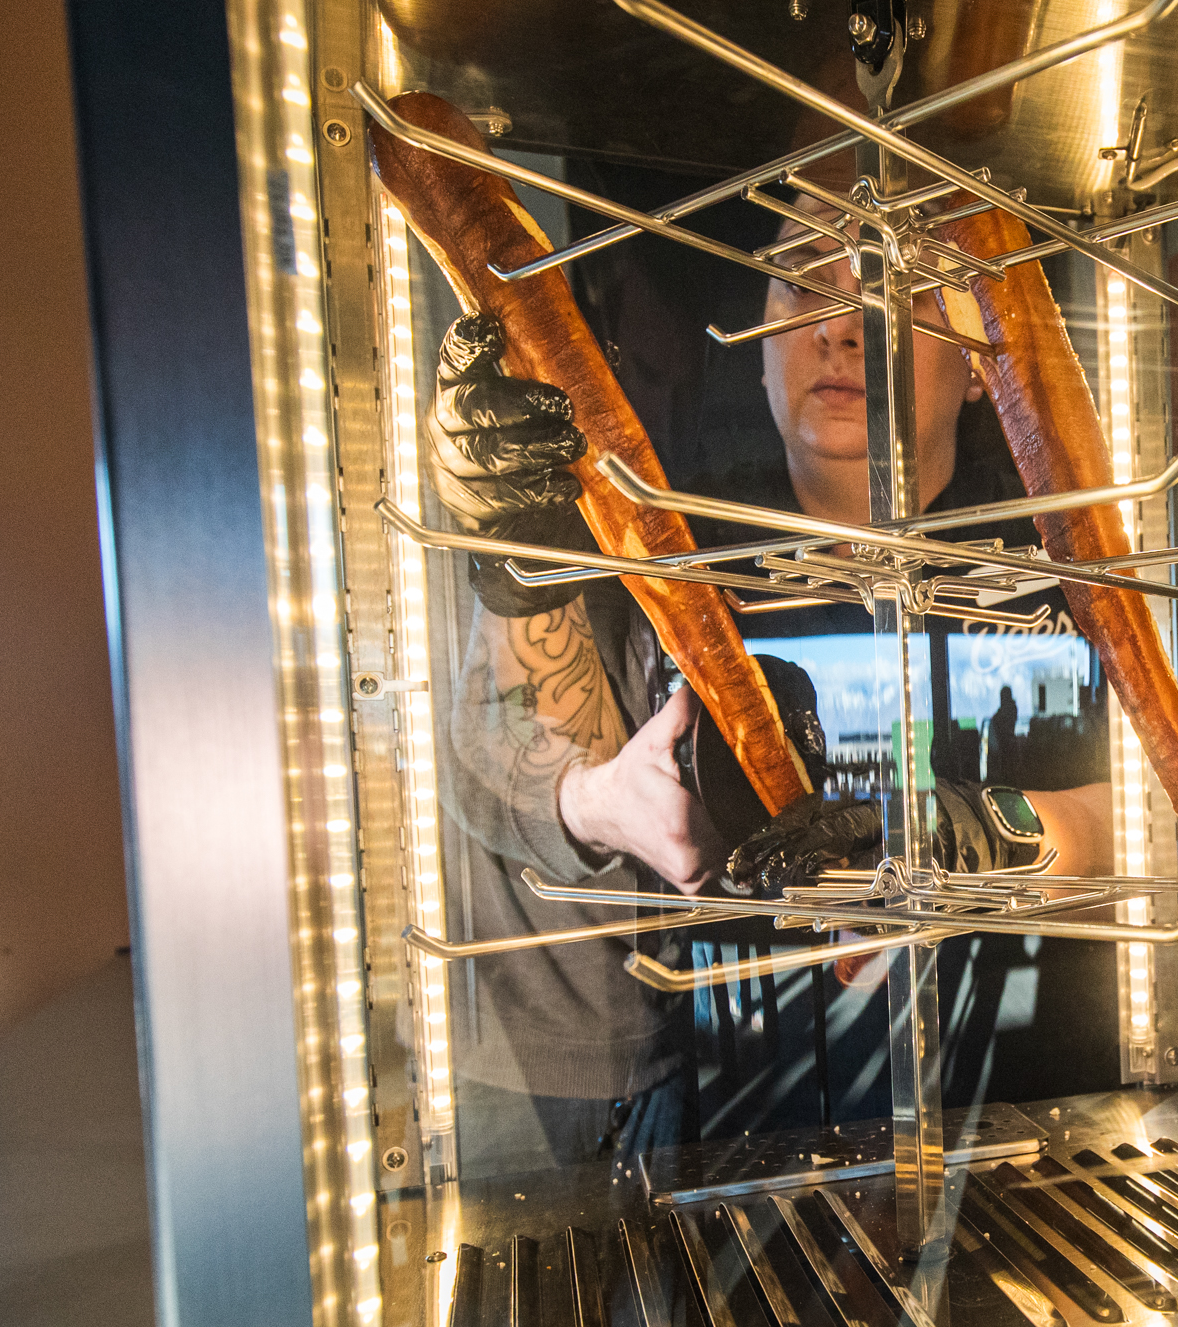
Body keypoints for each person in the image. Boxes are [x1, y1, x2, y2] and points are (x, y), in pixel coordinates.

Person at [435, 217, 1114, 1177]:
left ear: (979, 362)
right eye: (798, 280)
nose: (835, 326)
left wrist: (989, 836)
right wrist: (520, 567)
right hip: (727, 1140)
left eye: (893, 285)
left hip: (1041, 1131)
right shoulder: (667, 565)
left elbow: (1170, 816)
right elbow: (526, 755)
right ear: (757, 353)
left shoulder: (1069, 568)